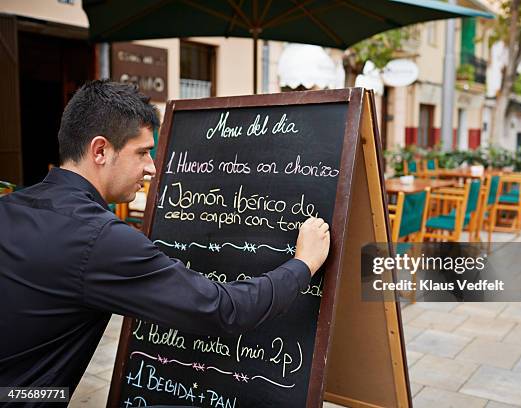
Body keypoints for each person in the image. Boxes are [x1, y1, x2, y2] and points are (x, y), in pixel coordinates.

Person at [0, 80, 330, 400]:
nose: (152, 168)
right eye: (143, 152)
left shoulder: (9, 206)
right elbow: (225, 310)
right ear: (100, 150)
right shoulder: (99, 240)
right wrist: (304, 263)